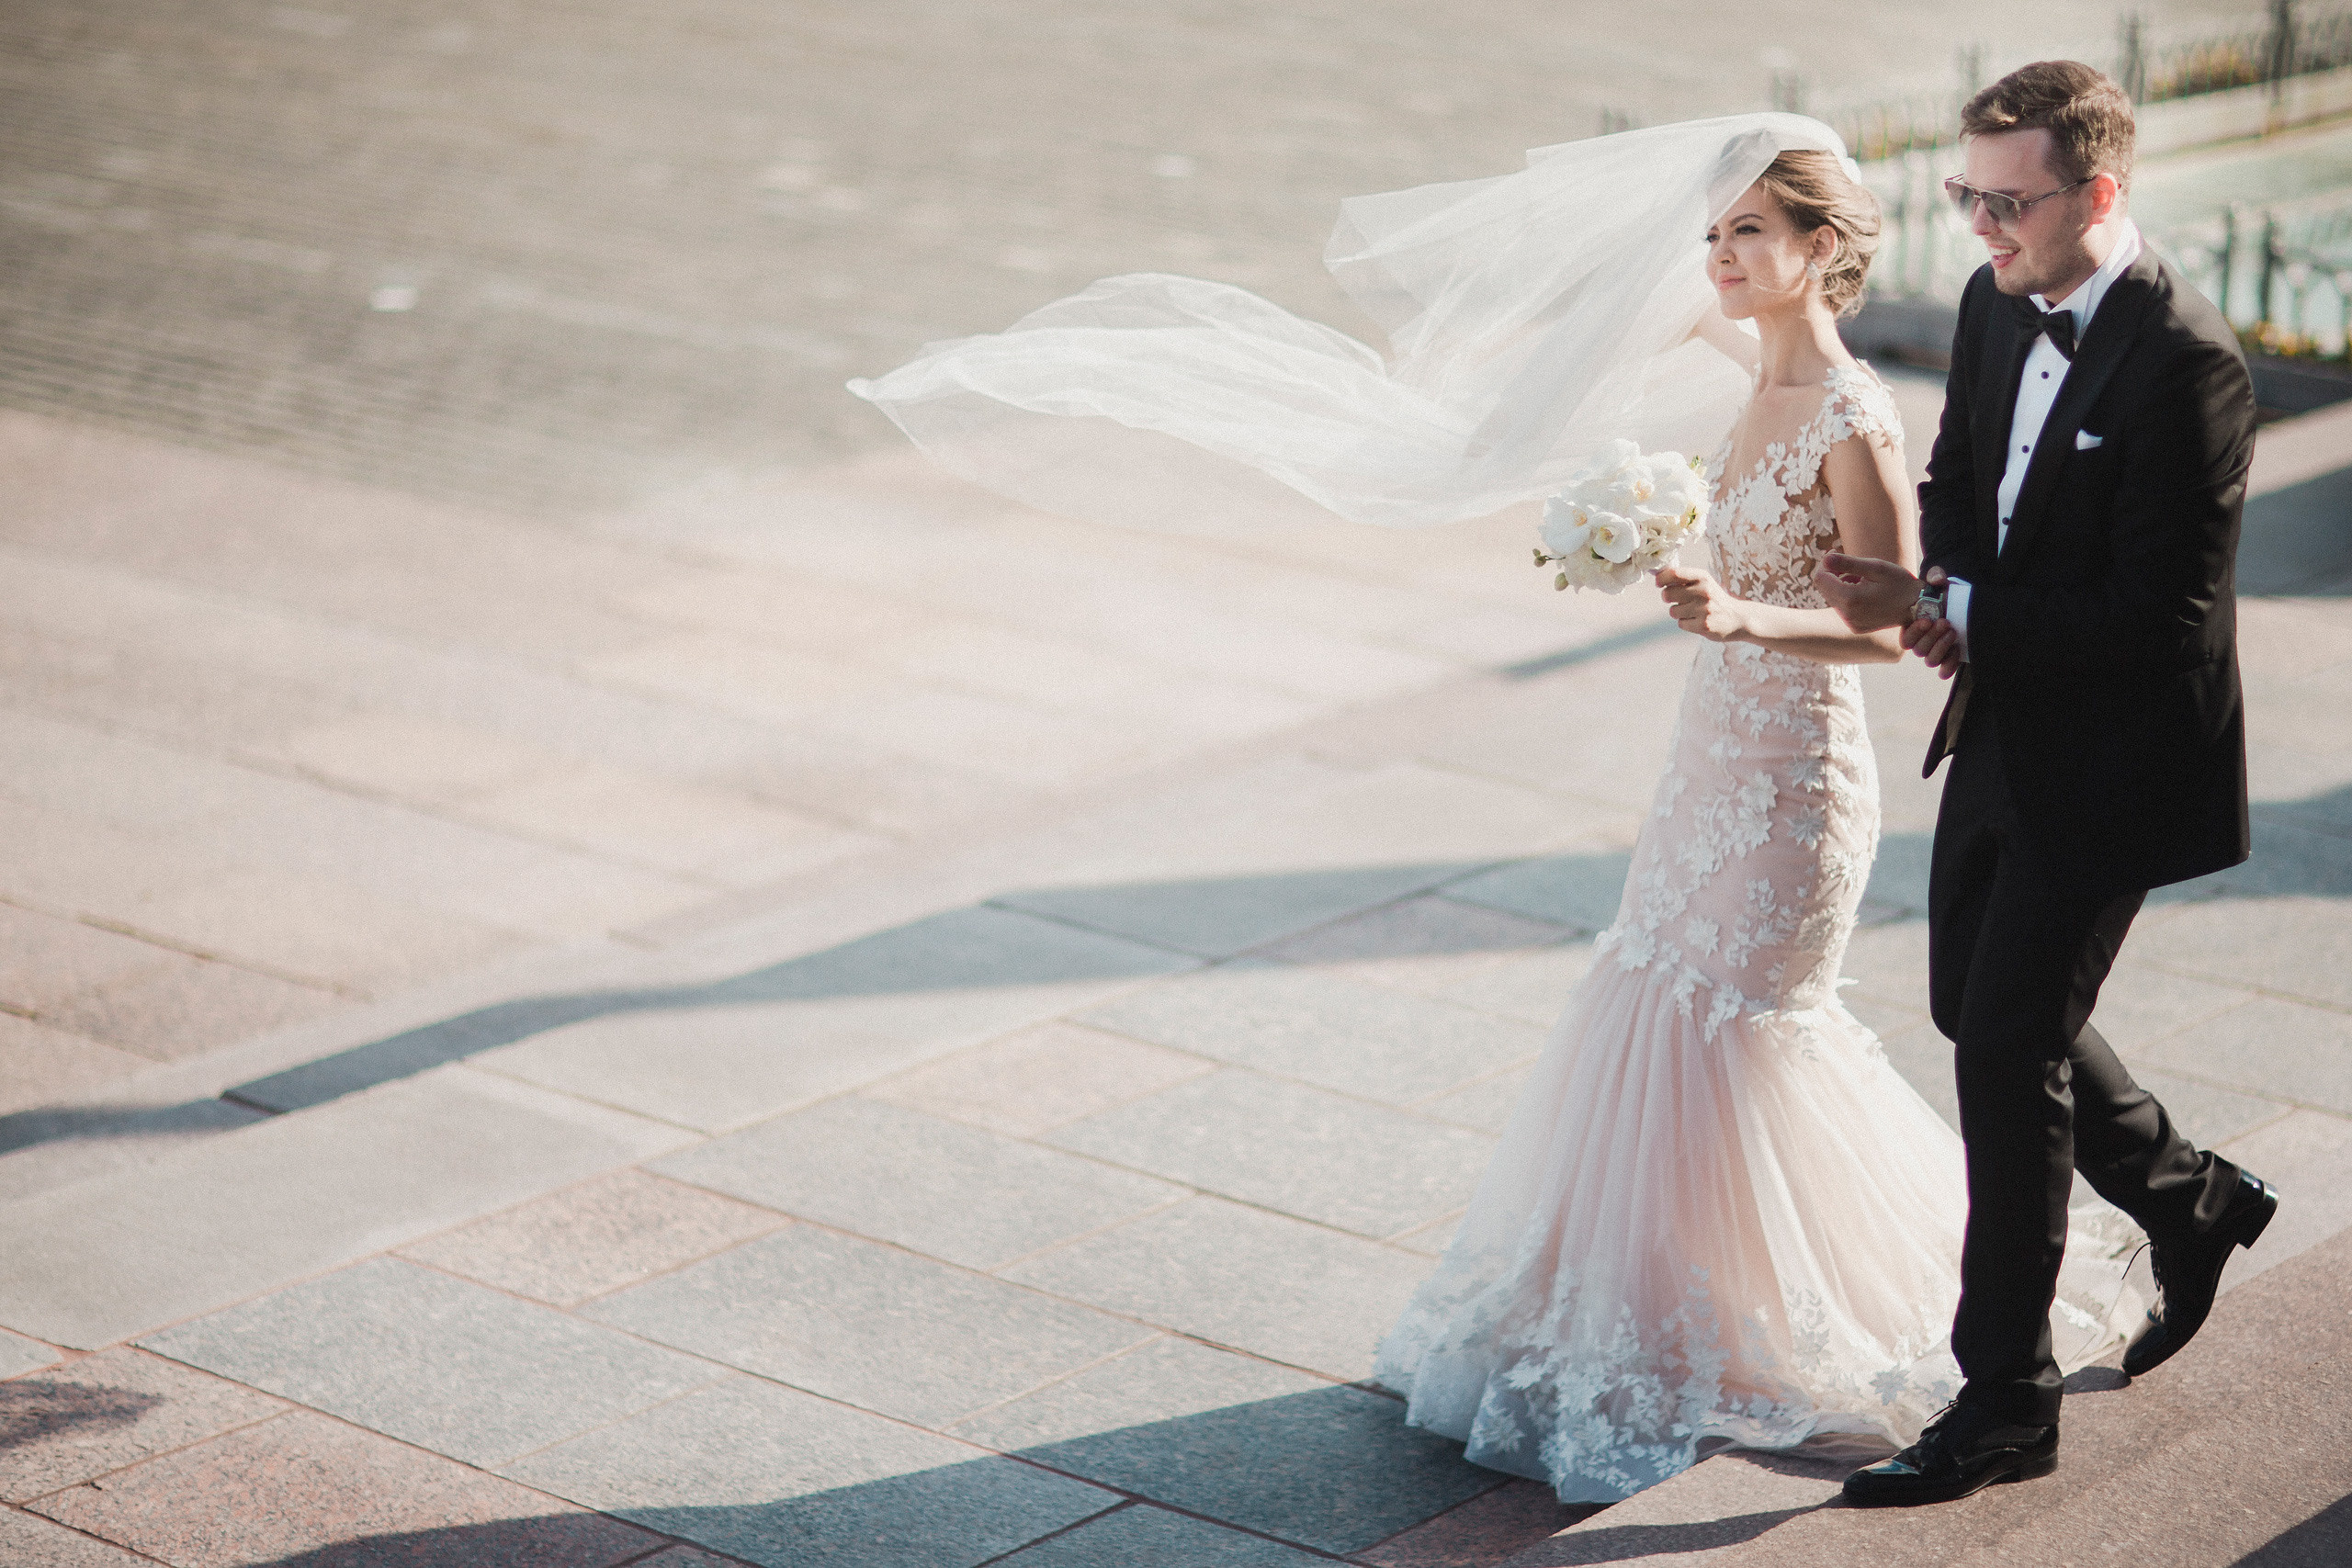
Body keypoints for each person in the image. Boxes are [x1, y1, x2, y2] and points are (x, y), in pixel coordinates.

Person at [849, 114, 2137, 1506]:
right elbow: (1603, 316)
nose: (1716, 258)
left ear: (1821, 248)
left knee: (1745, 1031)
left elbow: (1888, 631)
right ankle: (1654, 1314)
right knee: (1661, 1001)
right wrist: (1473, 349)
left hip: (1795, 783)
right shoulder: (1743, 356)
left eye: (1748, 232)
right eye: (1711, 233)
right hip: (1709, 758)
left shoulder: (1853, 416)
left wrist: (1740, 616)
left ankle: (1895, 1312)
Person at [1816, 61, 2276, 1507]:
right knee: (1976, 1008)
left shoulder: (2191, 364)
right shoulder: (1993, 302)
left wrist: (1974, 609)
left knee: (2006, 1048)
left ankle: (2005, 1403)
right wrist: (1948, 584)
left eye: (2007, 203)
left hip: (2127, 757)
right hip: (2012, 722)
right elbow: (1959, 472)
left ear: (2100, 192)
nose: (1982, 228)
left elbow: (2164, 619)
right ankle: (2192, 1197)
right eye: (1968, 198)